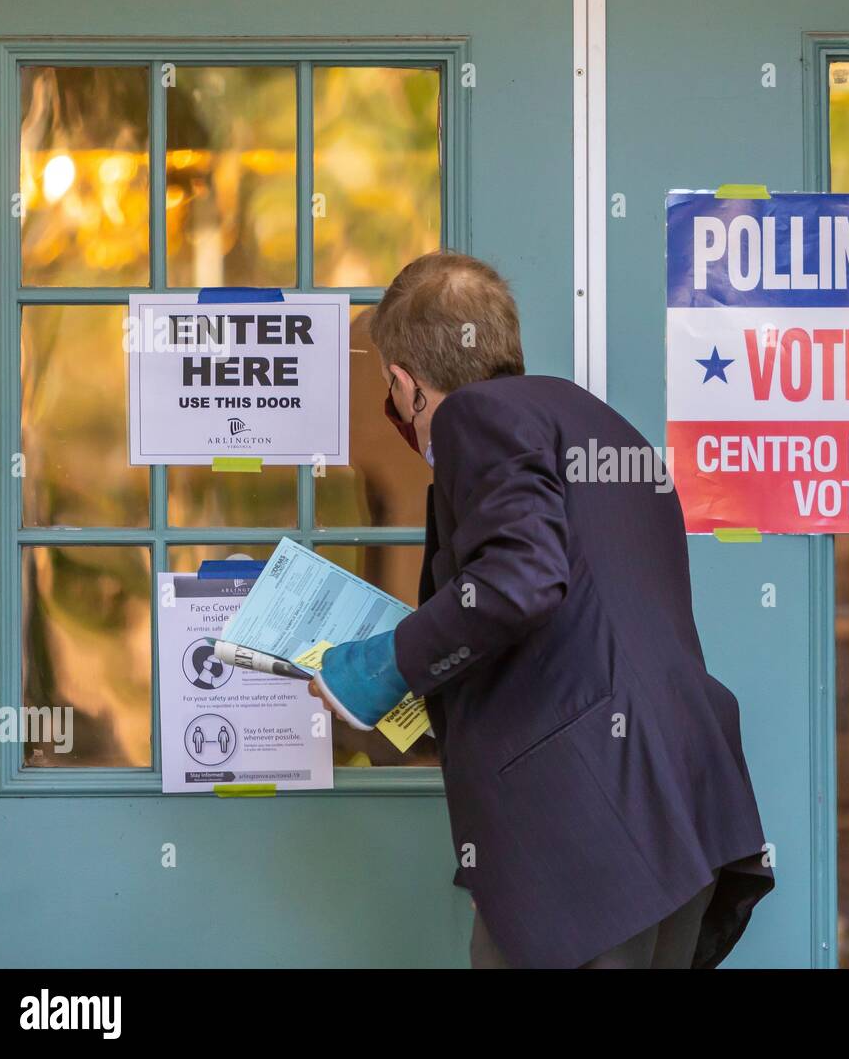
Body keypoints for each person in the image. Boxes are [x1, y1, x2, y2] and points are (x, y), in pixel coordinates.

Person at [309, 251, 773, 969]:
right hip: (682, 816)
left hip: (590, 836)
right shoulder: (608, 429)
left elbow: (521, 578)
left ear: (402, 382)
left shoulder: (476, 418)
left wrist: (379, 666)